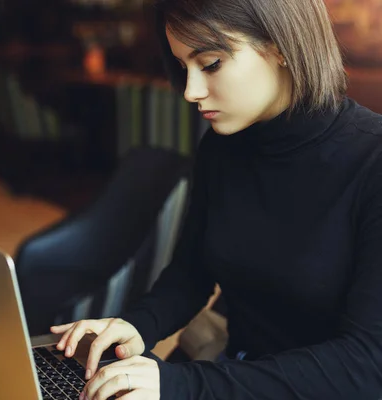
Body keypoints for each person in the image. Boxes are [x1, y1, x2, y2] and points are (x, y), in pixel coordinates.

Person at [50, 0, 382, 398]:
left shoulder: (371, 162)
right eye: (182, 66)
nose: (190, 91)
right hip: (235, 374)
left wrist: (181, 385)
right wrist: (135, 327)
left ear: (280, 46)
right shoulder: (224, 146)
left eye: (210, 64)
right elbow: (191, 273)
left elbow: (365, 366)